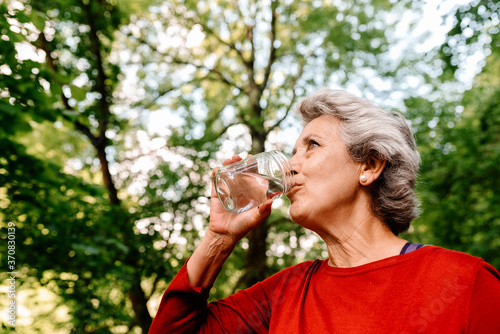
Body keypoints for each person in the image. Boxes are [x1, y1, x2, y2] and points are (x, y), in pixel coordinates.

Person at [149, 88, 500, 333]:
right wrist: (218, 239)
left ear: (370, 166)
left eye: (311, 146)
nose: (290, 165)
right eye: (293, 150)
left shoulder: (465, 283)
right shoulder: (284, 293)